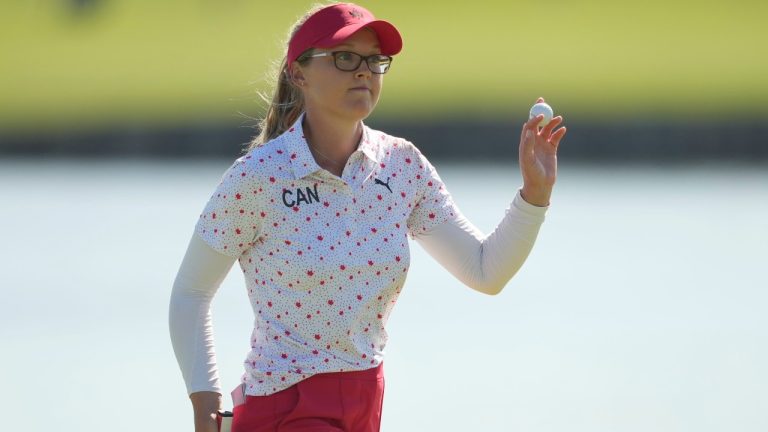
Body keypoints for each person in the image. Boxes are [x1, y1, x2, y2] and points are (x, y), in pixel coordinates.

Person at [169, 2, 566, 432]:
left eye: (375, 61)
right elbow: (191, 292)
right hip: (286, 405)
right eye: (344, 58)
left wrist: (534, 195)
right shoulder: (259, 177)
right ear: (299, 73)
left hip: (366, 401)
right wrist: (204, 399)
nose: (363, 72)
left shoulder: (401, 165)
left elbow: (485, 271)